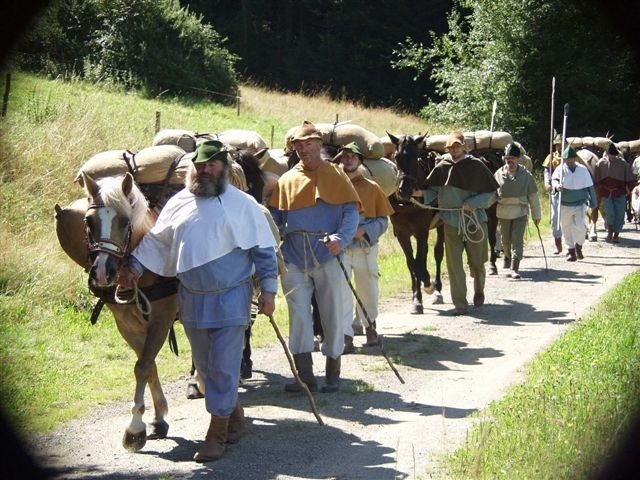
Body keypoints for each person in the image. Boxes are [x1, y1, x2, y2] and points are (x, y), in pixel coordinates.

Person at [118, 140, 278, 462]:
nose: (204, 170)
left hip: (231, 299)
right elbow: (158, 242)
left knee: (222, 365)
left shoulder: (244, 205)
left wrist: (269, 292)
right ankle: (234, 418)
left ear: (223, 168)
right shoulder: (179, 202)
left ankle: (215, 436)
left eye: (211, 165)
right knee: (205, 369)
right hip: (191, 300)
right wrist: (133, 268)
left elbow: (263, 250)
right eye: (199, 165)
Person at [268, 121, 361, 393]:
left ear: (320, 145)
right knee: (298, 315)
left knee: (331, 312)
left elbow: (351, 213)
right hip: (294, 254)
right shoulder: (286, 180)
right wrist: (271, 242)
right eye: (298, 145)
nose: (303, 149)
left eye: (308, 144)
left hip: (328, 253)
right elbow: (275, 217)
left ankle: (333, 372)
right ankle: (305, 374)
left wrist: (341, 239)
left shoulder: (337, 175)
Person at [420, 131, 498, 315]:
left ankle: (479, 290)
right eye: (450, 147)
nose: (453, 150)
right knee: (454, 265)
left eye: (456, 146)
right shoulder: (442, 166)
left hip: (475, 222)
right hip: (451, 222)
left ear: (464, 146)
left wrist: (474, 204)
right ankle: (460, 304)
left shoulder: (477, 166)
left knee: (477, 262)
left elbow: (491, 194)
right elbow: (433, 192)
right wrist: (419, 195)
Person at [333, 141, 395, 353]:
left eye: (353, 157)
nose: (348, 159)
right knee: (341, 292)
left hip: (364, 248)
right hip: (339, 250)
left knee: (368, 290)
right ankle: (345, 336)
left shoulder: (372, 188)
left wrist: (365, 231)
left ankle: (370, 329)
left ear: (360, 161)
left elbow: (383, 221)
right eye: (345, 156)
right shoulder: (333, 186)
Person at [494, 143, 542, 279]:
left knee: (517, 239)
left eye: (513, 158)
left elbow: (533, 197)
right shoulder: (498, 174)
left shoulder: (526, 176)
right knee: (506, 241)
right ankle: (508, 257)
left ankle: (515, 267)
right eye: (508, 158)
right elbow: (491, 195)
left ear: (518, 159)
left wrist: (536, 214)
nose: (510, 161)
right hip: (503, 212)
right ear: (504, 159)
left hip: (520, 212)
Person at [551, 146, 597, 261]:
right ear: (564, 159)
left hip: (580, 204)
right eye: (567, 159)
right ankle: (571, 252)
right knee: (566, 228)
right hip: (564, 204)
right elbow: (554, 180)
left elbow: (590, 186)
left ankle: (579, 247)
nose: (569, 161)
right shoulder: (560, 170)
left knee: (580, 227)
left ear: (575, 158)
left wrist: (593, 202)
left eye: (571, 158)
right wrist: (557, 186)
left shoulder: (583, 170)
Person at [594, 142, 635, 243]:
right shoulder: (600, 163)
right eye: (609, 154)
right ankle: (610, 232)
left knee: (620, 214)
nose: (611, 157)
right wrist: (597, 190)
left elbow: (630, 179)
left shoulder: (623, 164)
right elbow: (596, 180)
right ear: (606, 154)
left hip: (619, 193)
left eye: (613, 155)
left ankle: (616, 234)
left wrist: (629, 189)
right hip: (606, 193)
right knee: (609, 213)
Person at [542, 134, 564, 254]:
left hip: (569, 192)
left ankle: (572, 246)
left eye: (561, 144)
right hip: (556, 191)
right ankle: (558, 244)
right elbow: (547, 171)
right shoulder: (551, 157)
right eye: (558, 144)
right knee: (555, 218)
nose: (559, 146)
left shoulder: (571, 156)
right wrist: (547, 183)